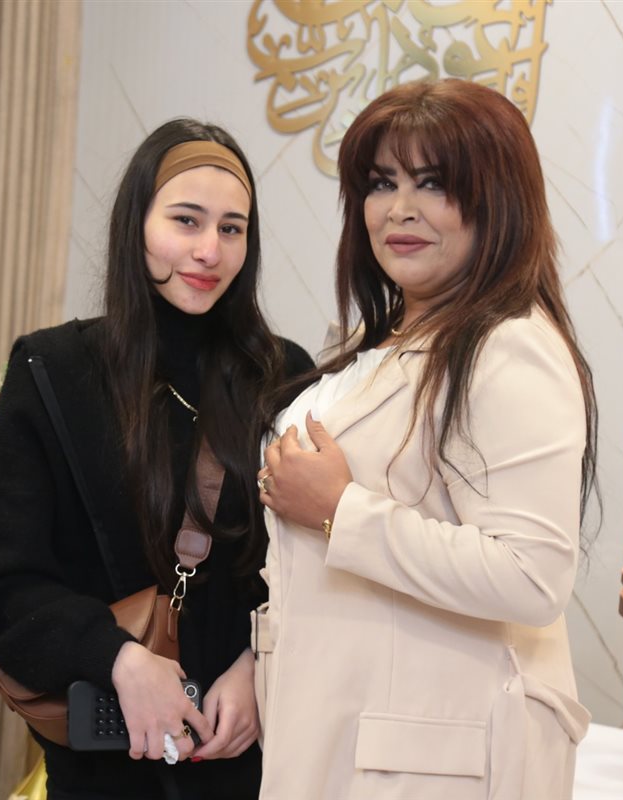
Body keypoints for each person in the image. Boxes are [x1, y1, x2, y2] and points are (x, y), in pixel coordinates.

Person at [253, 79, 598, 799]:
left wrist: (339, 511)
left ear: (498, 199)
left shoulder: (509, 345)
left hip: (432, 757)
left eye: (434, 183)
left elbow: (533, 577)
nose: (399, 209)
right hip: (332, 727)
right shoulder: (379, 338)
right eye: (382, 183)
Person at [0, 118, 313, 800]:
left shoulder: (281, 375)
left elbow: (308, 566)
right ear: (137, 225)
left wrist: (260, 662)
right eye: (186, 220)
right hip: (104, 760)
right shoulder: (56, 370)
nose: (209, 250)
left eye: (232, 228)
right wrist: (118, 658)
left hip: (244, 756)